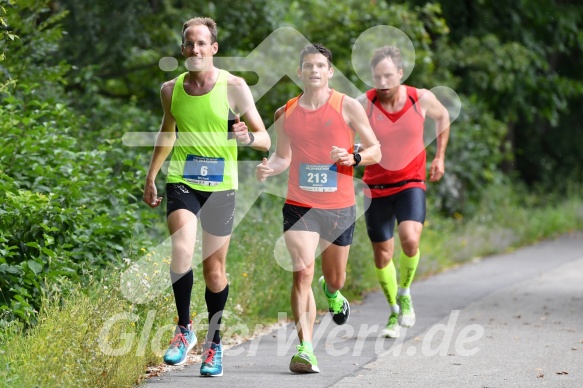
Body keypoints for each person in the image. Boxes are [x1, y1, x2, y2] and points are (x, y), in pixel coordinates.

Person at [142, 16, 270, 377]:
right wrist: (151, 176)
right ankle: (184, 328)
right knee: (181, 249)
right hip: (182, 179)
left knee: (215, 271)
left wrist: (246, 138)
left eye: (201, 43)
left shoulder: (234, 86)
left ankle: (214, 343)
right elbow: (167, 133)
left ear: (214, 48)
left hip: (221, 186)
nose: (194, 49)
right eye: (188, 43)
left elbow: (264, 138)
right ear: (183, 49)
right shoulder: (171, 89)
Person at [256, 43, 381, 374]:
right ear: (299, 72)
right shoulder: (286, 113)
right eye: (307, 66)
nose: (313, 70)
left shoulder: (348, 106)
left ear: (329, 72)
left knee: (335, 277)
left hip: (339, 207)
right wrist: (271, 167)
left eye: (320, 66)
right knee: (302, 271)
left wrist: (352, 157)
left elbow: (375, 151)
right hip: (300, 204)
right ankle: (305, 348)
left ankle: (332, 291)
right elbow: (284, 156)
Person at [358, 46, 450, 338]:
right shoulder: (364, 103)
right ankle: (394, 312)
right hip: (375, 186)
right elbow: (342, 131)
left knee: (410, 239)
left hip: (410, 182)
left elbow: (444, 116)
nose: (382, 82)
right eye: (377, 77)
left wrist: (439, 157)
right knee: (383, 255)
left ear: (400, 73)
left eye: (388, 75)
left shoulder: (419, 98)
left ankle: (406, 292)